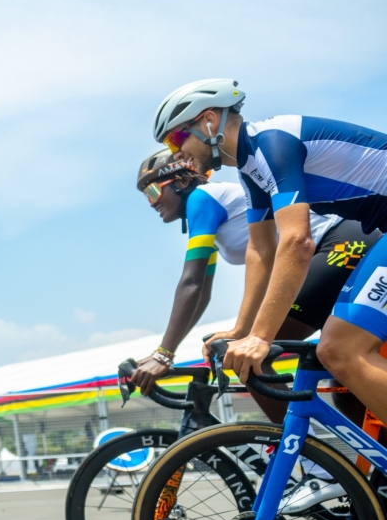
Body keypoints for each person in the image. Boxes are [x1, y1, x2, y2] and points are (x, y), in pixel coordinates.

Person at [153, 80, 387, 508]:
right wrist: (243, 329)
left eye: (175, 137)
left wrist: (261, 337)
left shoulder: (273, 144)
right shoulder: (250, 168)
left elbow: (296, 243)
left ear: (208, 121)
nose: (174, 153)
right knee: (337, 355)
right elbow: (262, 250)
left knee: (340, 349)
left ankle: (335, 468)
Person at [128, 148, 376, 424]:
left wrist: (163, 355)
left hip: (341, 243)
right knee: (345, 388)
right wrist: (167, 352)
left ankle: (303, 454)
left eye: (152, 192)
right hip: (339, 248)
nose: (151, 203)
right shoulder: (210, 216)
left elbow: (192, 282)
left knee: (240, 351)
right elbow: (201, 293)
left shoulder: (202, 198)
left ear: (182, 182)